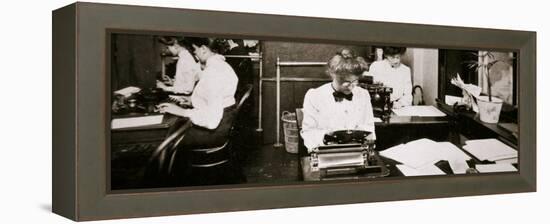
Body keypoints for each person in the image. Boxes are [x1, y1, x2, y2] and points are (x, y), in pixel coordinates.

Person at [158, 37, 238, 147]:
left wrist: (181, 111)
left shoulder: (213, 72)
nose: (194, 53)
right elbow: (214, 99)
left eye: (194, 50)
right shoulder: (222, 66)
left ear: (203, 49)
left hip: (214, 133)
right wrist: (193, 101)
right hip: (222, 126)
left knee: (165, 139)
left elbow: (211, 120)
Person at [300, 50, 376, 151]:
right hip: (326, 152)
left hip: (357, 153)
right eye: (346, 82)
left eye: (355, 81)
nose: (351, 87)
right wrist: (327, 138)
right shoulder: (315, 96)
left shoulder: (363, 95)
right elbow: (309, 133)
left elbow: (369, 128)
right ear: (333, 75)